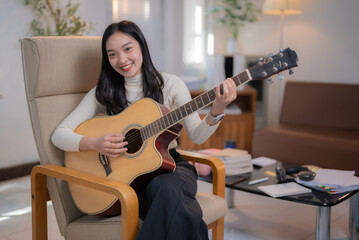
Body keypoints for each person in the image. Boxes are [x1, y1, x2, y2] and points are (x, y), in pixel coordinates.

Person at [52, 20, 237, 240]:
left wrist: (216, 111)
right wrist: (95, 143)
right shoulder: (103, 92)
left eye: (127, 48)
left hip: (171, 166)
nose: (121, 60)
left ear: (142, 46)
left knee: (166, 189)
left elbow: (196, 135)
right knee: (177, 206)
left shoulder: (170, 84)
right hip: (129, 180)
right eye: (112, 54)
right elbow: (59, 134)